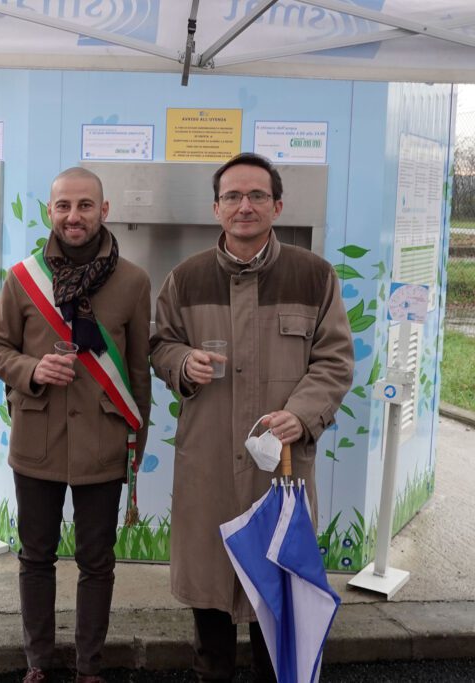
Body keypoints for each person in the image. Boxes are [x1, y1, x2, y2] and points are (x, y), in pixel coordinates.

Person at [150, 152, 354, 682]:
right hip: (209, 466)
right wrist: (182, 364)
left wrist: (302, 414)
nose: (245, 206)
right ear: (215, 208)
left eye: (257, 196)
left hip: (280, 473)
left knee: (277, 605)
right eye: (233, 197)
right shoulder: (185, 279)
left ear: (278, 205)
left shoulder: (314, 276)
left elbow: (334, 360)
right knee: (212, 611)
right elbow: (160, 346)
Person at [0, 167, 152, 683]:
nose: (73, 216)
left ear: (104, 211)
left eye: (84, 206)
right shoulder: (22, 277)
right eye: (63, 206)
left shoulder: (134, 282)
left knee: (96, 562)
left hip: (103, 441)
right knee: (36, 557)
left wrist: (136, 445)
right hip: (38, 440)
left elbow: (140, 370)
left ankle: (88, 667)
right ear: (50, 212)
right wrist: (31, 369)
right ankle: (38, 662)